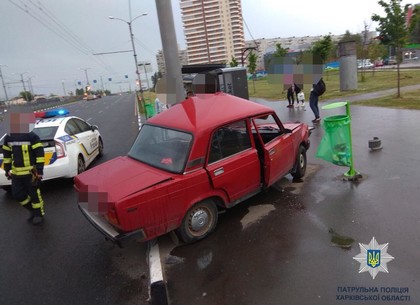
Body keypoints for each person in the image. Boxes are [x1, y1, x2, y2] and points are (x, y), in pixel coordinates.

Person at [2, 111, 45, 225]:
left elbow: (40, 155)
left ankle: (38, 214)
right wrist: (7, 170)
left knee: (35, 195)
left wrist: (39, 171)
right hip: (16, 174)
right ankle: (31, 210)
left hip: (31, 173)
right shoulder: (8, 138)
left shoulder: (32, 136)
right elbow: (6, 156)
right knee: (17, 195)